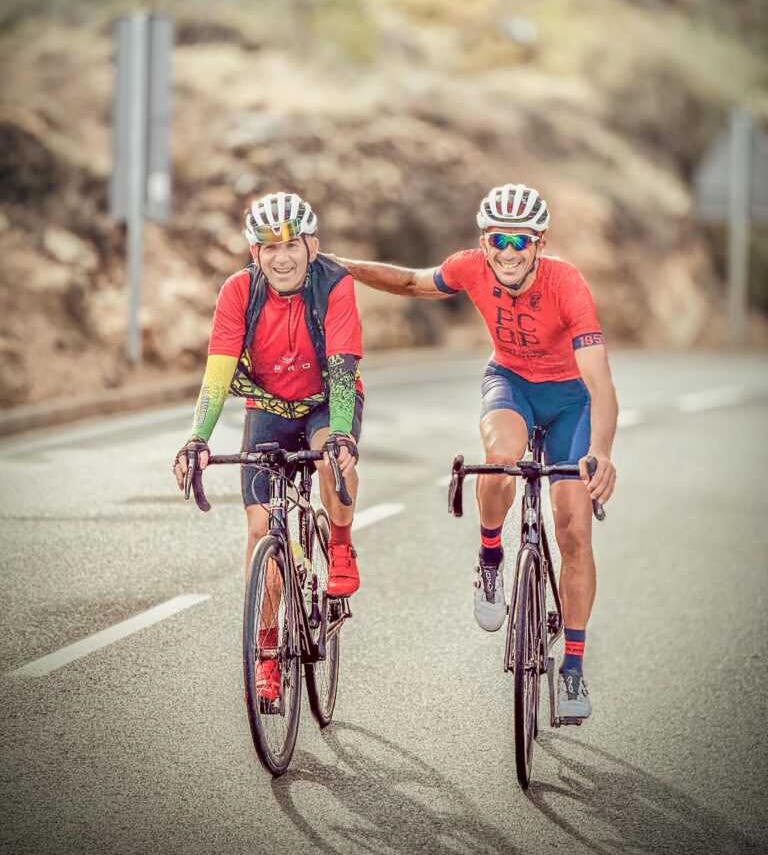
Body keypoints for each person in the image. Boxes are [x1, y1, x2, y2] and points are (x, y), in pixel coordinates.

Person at [332, 183, 617, 719]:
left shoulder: (567, 284)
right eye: (497, 240)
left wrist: (600, 451)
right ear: (483, 242)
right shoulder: (470, 268)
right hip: (509, 381)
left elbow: (600, 384)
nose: (508, 251)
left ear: (539, 243)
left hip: (569, 400)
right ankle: (490, 559)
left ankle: (573, 670)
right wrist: (341, 265)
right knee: (500, 457)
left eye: (520, 240)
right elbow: (412, 282)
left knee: (574, 529)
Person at [173, 191, 363, 700]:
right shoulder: (239, 291)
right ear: (254, 252)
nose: (281, 258)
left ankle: (340, 545)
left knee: (332, 459)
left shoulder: (335, 284)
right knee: (261, 528)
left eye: (292, 245)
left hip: (326, 401)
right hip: (269, 407)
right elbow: (217, 374)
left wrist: (340, 433)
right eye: (269, 247)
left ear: (312, 246)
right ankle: (266, 651)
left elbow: (343, 368)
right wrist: (197, 437)